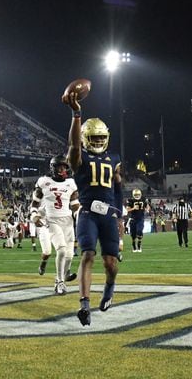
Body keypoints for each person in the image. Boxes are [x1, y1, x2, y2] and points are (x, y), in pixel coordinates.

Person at [64, 90, 122, 326]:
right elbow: (74, 146)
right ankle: (84, 304)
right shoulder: (79, 157)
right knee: (87, 255)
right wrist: (76, 114)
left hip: (108, 214)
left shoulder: (115, 159)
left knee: (111, 264)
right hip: (87, 213)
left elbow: (118, 188)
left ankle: (109, 287)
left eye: (101, 138)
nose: (97, 141)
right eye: (93, 138)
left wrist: (120, 215)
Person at [30, 154, 80, 295]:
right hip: (51, 220)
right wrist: (34, 214)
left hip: (68, 221)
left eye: (64, 167)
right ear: (53, 168)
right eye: (59, 167)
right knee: (61, 250)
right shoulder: (44, 181)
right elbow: (35, 202)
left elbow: (75, 204)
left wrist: (79, 215)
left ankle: (63, 276)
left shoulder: (71, 183)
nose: (62, 169)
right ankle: (59, 282)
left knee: (69, 255)